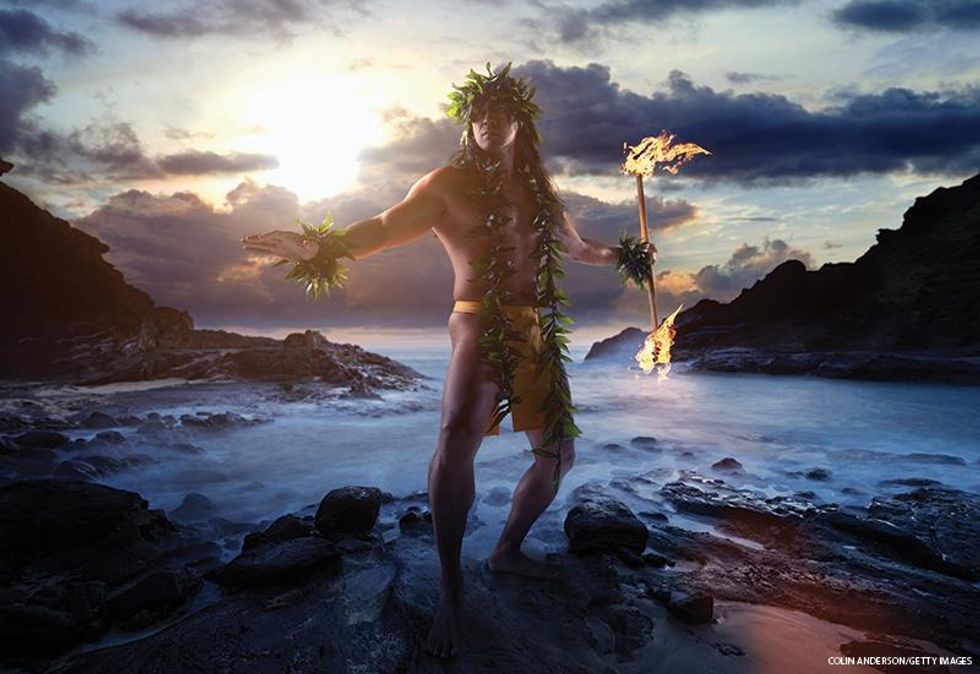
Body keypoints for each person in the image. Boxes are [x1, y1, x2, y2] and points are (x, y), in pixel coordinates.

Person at [241, 64, 653, 659]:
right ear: (469, 123)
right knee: (458, 439)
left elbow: (580, 248)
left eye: (500, 113)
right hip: (478, 319)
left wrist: (630, 256)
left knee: (559, 454)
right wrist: (318, 246)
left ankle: (506, 550)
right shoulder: (446, 184)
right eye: (479, 114)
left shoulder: (540, 192)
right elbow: (384, 228)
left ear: (519, 123)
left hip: (535, 327)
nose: (489, 122)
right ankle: (451, 587)